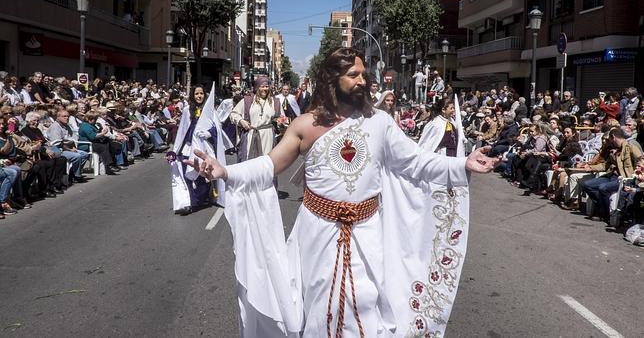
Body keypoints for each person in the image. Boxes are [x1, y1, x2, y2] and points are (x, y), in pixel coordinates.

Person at [185, 47, 500, 337]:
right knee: (320, 309)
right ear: (332, 79)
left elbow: (416, 162)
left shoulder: (380, 123)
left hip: (367, 234)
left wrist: (462, 165)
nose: (362, 80)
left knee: (366, 301)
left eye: (363, 74)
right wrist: (225, 171)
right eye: (354, 75)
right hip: (316, 236)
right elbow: (269, 165)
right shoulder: (305, 124)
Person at [168, 85, 212, 215]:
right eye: (197, 93)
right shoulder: (187, 110)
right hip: (188, 148)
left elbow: (216, 129)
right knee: (186, 175)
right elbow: (182, 131)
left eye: (201, 93)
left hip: (203, 149)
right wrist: (174, 151)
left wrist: (209, 134)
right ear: (193, 95)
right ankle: (188, 203)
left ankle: (201, 198)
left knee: (202, 176)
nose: (199, 96)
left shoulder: (209, 111)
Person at [229, 76, 282, 162]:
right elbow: (233, 114)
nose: (265, 89)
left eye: (267, 86)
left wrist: (281, 122)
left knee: (266, 164)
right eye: (262, 86)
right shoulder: (248, 101)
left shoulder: (274, 102)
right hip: (251, 135)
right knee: (249, 164)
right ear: (257, 88)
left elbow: (281, 118)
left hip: (268, 137)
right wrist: (241, 121)